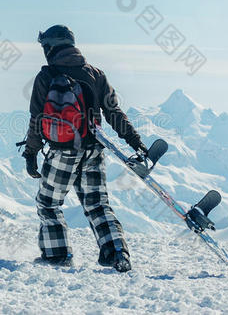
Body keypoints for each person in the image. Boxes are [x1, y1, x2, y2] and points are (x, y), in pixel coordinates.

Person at [22, 24, 147, 272]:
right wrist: (135, 142)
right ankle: (117, 252)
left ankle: (57, 255)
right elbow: (114, 113)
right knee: (97, 204)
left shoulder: (46, 76)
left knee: (48, 203)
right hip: (94, 150)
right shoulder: (96, 74)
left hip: (63, 151)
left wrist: (30, 153)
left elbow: (37, 119)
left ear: (51, 47)